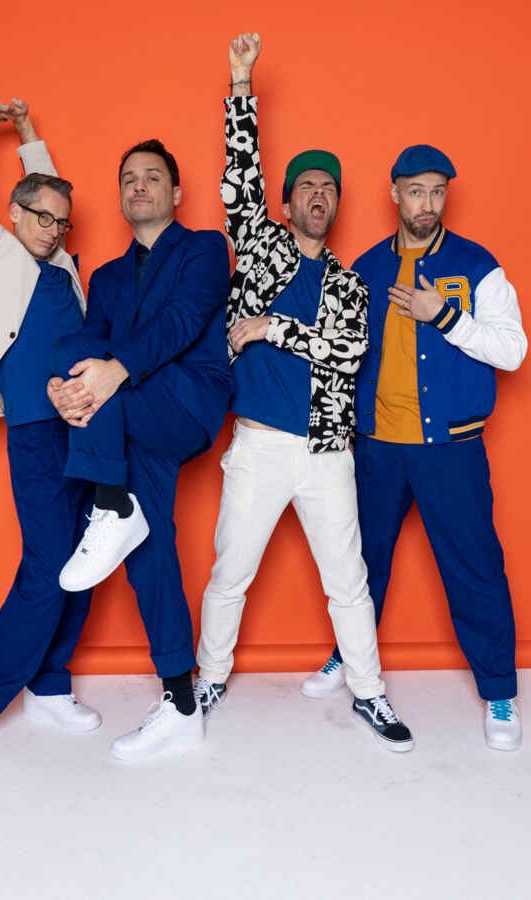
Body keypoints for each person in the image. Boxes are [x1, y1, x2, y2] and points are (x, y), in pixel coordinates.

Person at [193, 33, 413, 752]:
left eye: (329, 190)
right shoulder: (259, 246)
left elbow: (347, 352)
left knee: (349, 579)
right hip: (258, 444)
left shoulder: (350, 285)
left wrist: (271, 328)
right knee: (230, 573)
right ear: (286, 203)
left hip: (325, 451)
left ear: (336, 205)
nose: (319, 196)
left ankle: (369, 692)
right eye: (307, 188)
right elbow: (240, 172)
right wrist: (241, 84)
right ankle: (209, 677)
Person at [303, 144, 527, 751]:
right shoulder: (366, 268)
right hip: (376, 447)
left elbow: (513, 351)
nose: (427, 203)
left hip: (449, 448)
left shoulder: (477, 265)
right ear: (394, 193)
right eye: (416, 191)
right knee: (359, 561)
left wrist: (446, 316)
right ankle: (349, 656)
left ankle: (499, 689)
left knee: (474, 566)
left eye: (437, 191)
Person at [47, 138, 232, 761]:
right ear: (120, 195)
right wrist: (61, 385)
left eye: (153, 177)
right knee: (149, 550)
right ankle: (181, 701)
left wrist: (111, 372)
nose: (140, 186)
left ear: (175, 193)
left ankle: (110, 507)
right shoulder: (105, 277)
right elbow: (89, 345)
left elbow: (182, 320)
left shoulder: (205, 248)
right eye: (129, 178)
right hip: (128, 421)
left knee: (100, 383)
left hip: (185, 403)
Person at [0, 97, 99, 773]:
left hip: (87, 429)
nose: (53, 231)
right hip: (34, 434)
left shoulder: (63, 265)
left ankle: (50, 684)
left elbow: (49, 189)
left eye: (62, 223)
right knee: (46, 569)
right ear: (13, 213)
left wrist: (32, 135)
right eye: (41, 218)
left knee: (85, 561)